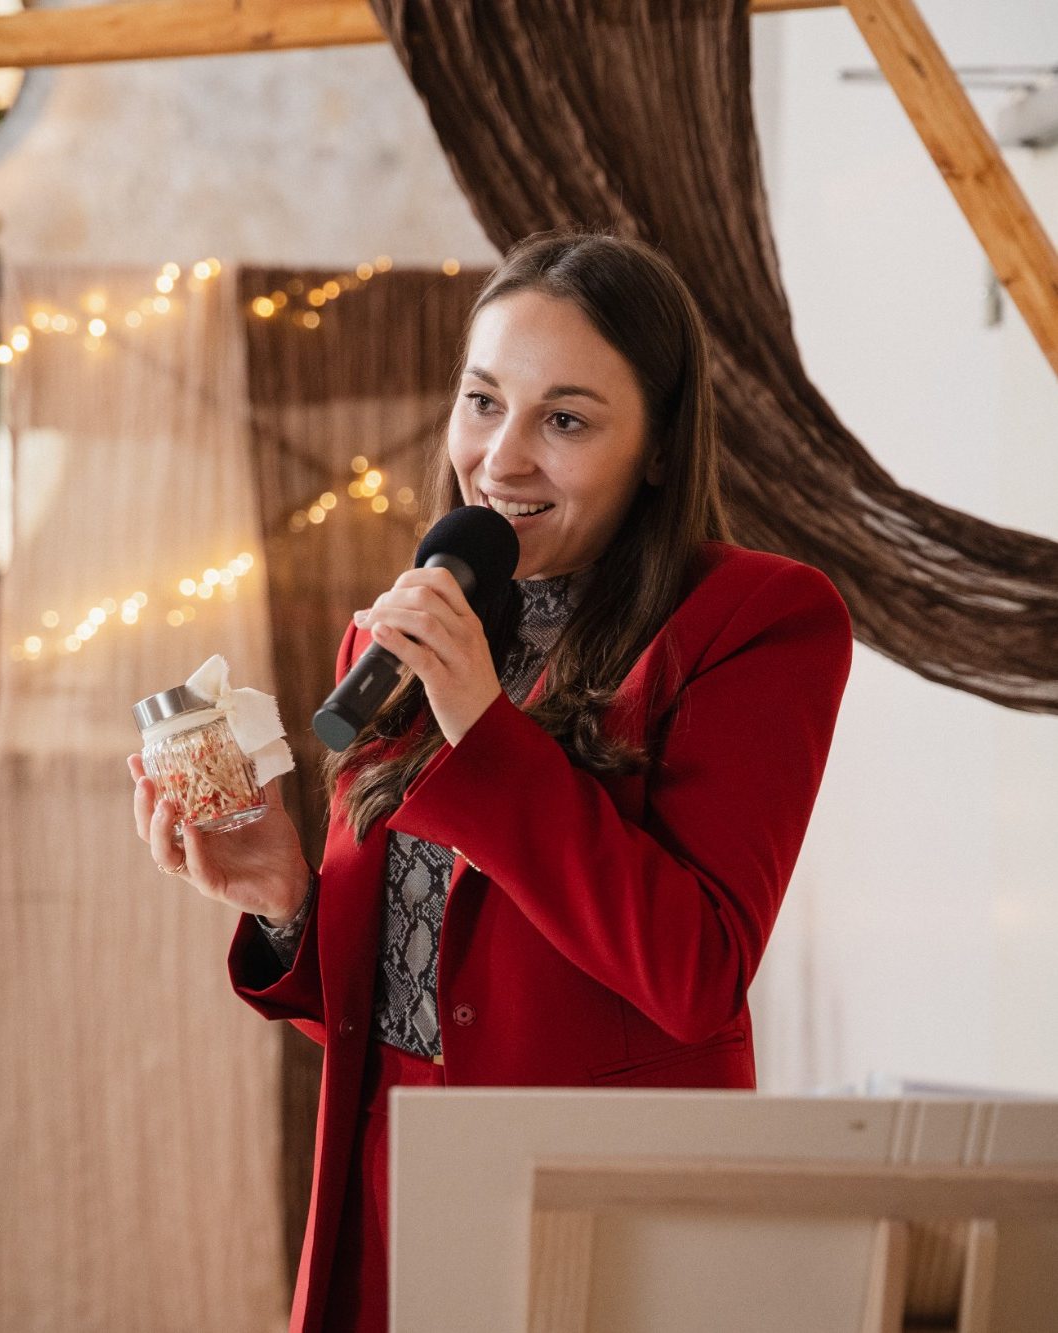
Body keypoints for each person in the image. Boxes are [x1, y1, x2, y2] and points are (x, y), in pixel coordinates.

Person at [128, 229, 853, 1332]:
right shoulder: (399, 638)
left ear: (658, 446)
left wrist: (482, 723)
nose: (500, 457)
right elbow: (424, 1004)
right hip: (391, 1180)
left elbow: (694, 972)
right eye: (482, 401)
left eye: (564, 419)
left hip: (602, 1213)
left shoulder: (757, 620)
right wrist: (287, 904)